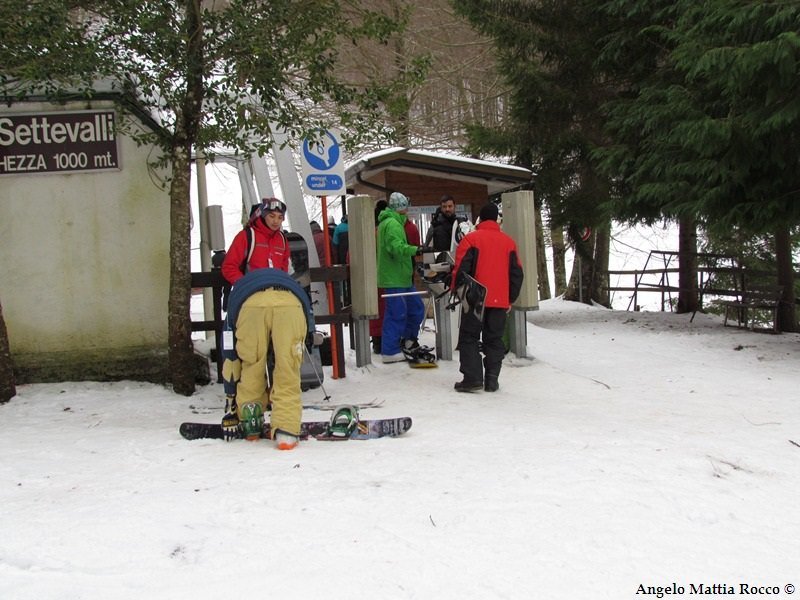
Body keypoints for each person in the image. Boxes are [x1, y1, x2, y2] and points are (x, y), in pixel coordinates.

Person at [221, 268, 315, 450]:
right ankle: (286, 432)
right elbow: (308, 320)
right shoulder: (288, 280)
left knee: (251, 365)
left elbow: (229, 354)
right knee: (287, 368)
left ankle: (251, 422)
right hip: (291, 303)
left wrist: (230, 398)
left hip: (249, 306)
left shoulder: (239, 289)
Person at [451, 202, 523, 392]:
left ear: (480, 219)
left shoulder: (471, 240)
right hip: (500, 300)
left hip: (476, 298)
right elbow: (517, 273)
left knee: (469, 337)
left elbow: (461, 270)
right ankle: (492, 379)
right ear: (497, 219)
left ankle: (473, 378)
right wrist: (510, 299)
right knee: (494, 339)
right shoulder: (509, 243)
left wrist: (456, 291)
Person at [376, 192, 426, 363]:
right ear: (403, 208)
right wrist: (415, 250)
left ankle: (407, 340)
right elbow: (396, 247)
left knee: (415, 308)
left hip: (401, 276)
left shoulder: (392, 223)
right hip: (394, 276)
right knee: (396, 312)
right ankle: (389, 350)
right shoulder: (393, 225)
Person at [221, 197, 289, 284]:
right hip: (252, 293)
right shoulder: (246, 236)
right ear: (263, 215)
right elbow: (229, 267)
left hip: (276, 293)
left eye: (280, 218)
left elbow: (284, 269)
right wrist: (246, 284)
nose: (276, 221)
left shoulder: (282, 240)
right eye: (271, 216)